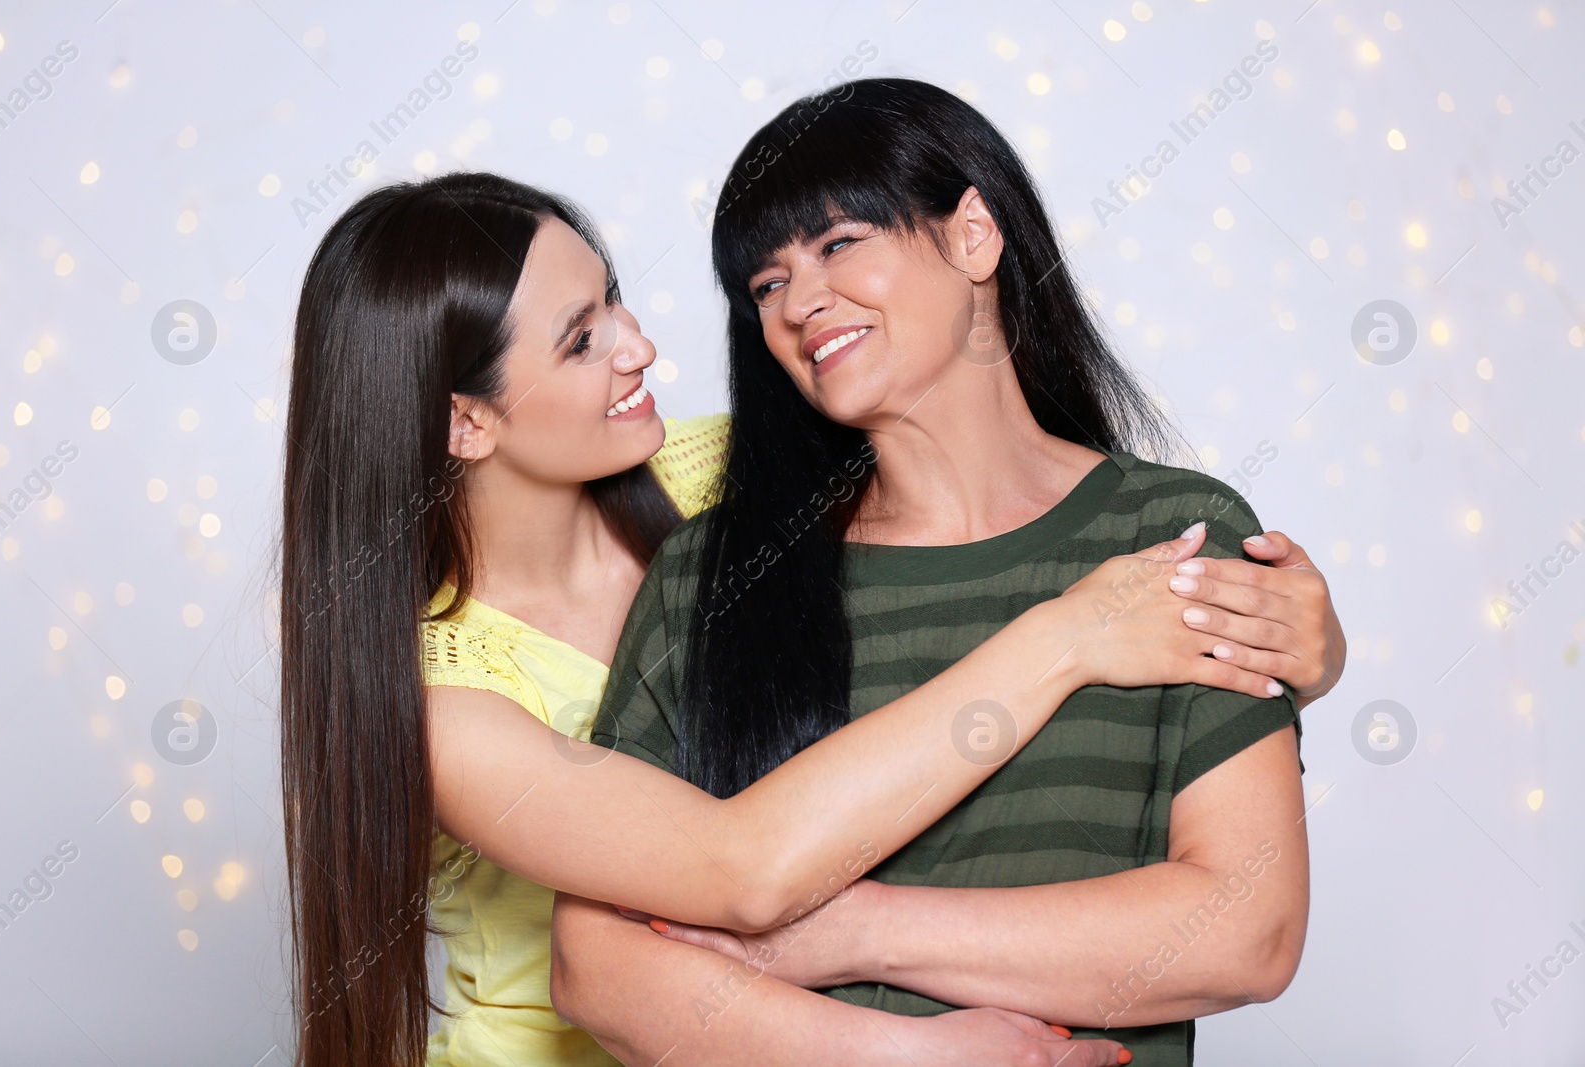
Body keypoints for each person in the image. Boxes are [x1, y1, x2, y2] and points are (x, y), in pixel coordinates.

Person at [278, 169, 1340, 1066]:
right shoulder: (445, 700)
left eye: (616, 301)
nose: (639, 347)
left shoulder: (712, 481)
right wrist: (1067, 636)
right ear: (465, 420)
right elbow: (739, 867)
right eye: (580, 340)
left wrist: (1284, 634)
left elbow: (986, 491)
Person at [550, 79, 1340, 1067]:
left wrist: (856, 927)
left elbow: (1244, 931)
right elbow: (597, 964)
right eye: (764, 282)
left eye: (838, 244)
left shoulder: (1170, 537)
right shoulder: (711, 573)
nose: (799, 302)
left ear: (973, 235)